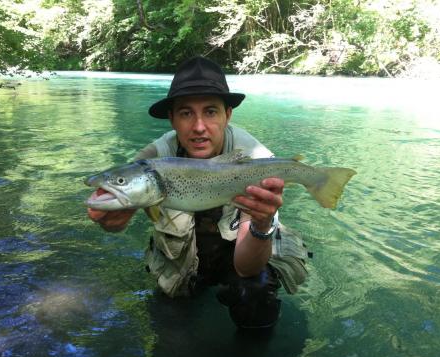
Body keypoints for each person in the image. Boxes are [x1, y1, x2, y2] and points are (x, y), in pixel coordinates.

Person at [88, 56, 308, 329]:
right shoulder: (152, 160)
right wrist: (111, 218)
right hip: (183, 257)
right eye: (186, 113)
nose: (199, 126)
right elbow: (112, 221)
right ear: (171, 119)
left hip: (243, 251)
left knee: (256, 295)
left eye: (211, 112)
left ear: (228, 114)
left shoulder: (256, 161)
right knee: (169, 328)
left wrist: (262, 223)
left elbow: (246, 267)